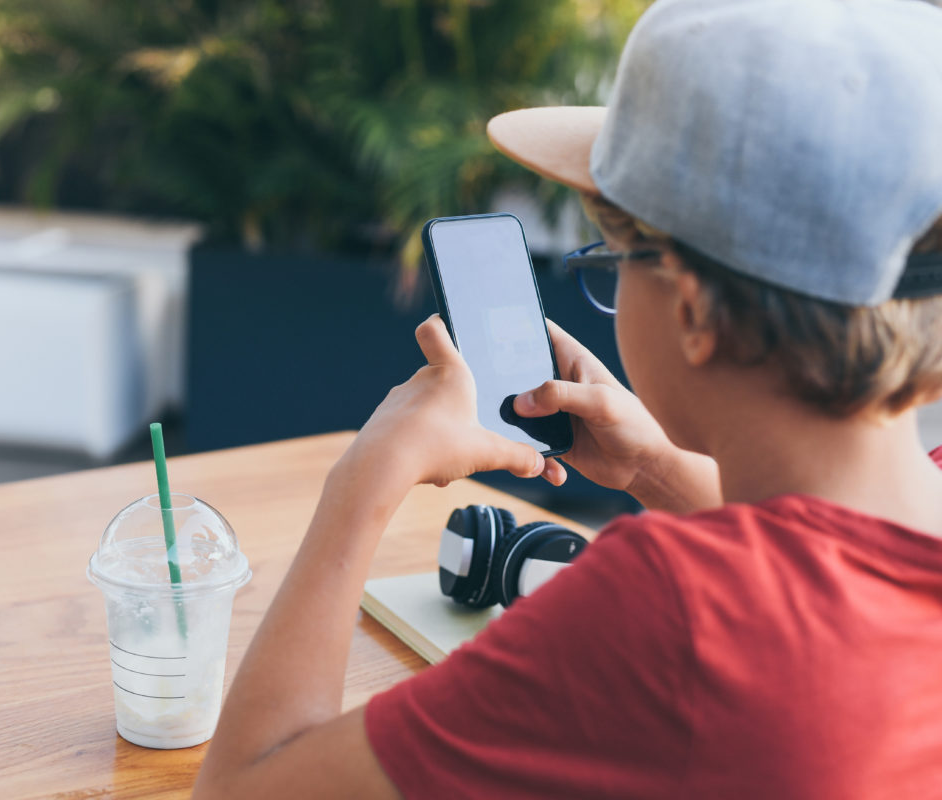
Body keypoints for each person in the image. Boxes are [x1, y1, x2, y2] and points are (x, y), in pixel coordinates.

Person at [192, 0, 942, 796]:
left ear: (690, 309)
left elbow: (241, 790)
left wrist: (367, 477)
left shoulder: (669, 609)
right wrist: (653, 465)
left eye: (614, 257)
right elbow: (822, 573)